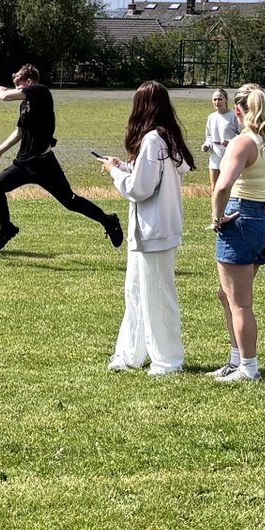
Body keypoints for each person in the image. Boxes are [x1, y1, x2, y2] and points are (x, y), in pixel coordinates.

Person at [100, 82, 195, 376]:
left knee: (156, 295)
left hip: (154, 230)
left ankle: (167, 360)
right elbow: (151, 178)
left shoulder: (154, 140)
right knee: (136, 292)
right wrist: (124, 166)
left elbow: (140, 189)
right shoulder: (166, 139)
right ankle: (131, 353)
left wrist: (114, 172)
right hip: (153, 230)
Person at [0, 64, 123, 253]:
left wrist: (0, 89)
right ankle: (6, 228)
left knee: (71, 202)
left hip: (44, 164)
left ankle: (108, 221)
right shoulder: (25, 103)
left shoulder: (41, 92)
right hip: (24, 163)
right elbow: (19, 131)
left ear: (29, 82)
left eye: (19, 85)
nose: (17, 90)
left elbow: (4, 96)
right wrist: (0, 150)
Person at [210, 83, 265, 383]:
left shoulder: (243, 142)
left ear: (238, 110)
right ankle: (235, 360)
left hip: (241, 220)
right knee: (226, 294)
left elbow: (222, 185)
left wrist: (217, 217)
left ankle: (248, 367)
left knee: (240, 302)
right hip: (263, 221)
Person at [202, 88, 239, 193]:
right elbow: (208, 137)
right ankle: (215, 209)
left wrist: (231, 143)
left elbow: (241, 135)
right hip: (215, 155)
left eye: (219, 99)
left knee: (228, 187)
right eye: (214, 99)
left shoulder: (233, 116)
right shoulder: (211, 117)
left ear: (226, 100)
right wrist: (206, 146)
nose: (217, 102)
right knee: (214, 187)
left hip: (229, 154)